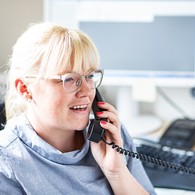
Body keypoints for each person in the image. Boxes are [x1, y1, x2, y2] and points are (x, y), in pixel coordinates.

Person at [0, 22, 156, 195]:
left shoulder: (110, 136)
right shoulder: (6, 163)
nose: (87, 91)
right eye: (69, 79)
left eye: (89, 76)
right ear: (25, 89)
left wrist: (117, 172)